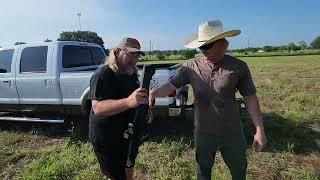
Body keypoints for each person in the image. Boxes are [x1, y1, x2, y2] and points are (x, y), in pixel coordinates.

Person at [149, 19, 267, 180]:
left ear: (221, 43)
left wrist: (259, 130)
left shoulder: (238, 66)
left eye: (207, 46)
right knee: (203, 171)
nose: (202, 50)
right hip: (203, 131)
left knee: (239, 171)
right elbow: (171, 85)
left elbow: (250, 97)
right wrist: (153, 93)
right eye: (200, 46)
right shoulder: (190, 66)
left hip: (232, 131)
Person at [89, 37, 151, 180]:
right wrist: (128, 102)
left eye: (137, 55)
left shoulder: (132, 74)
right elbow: (98, 108)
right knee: (116, 175)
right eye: (131, 54)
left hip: (126, 135)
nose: (135, 59)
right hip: (107, 137)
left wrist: (146, 110)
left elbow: (138, 100)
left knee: (128, 169)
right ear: (117, 51)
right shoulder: (103, 74)